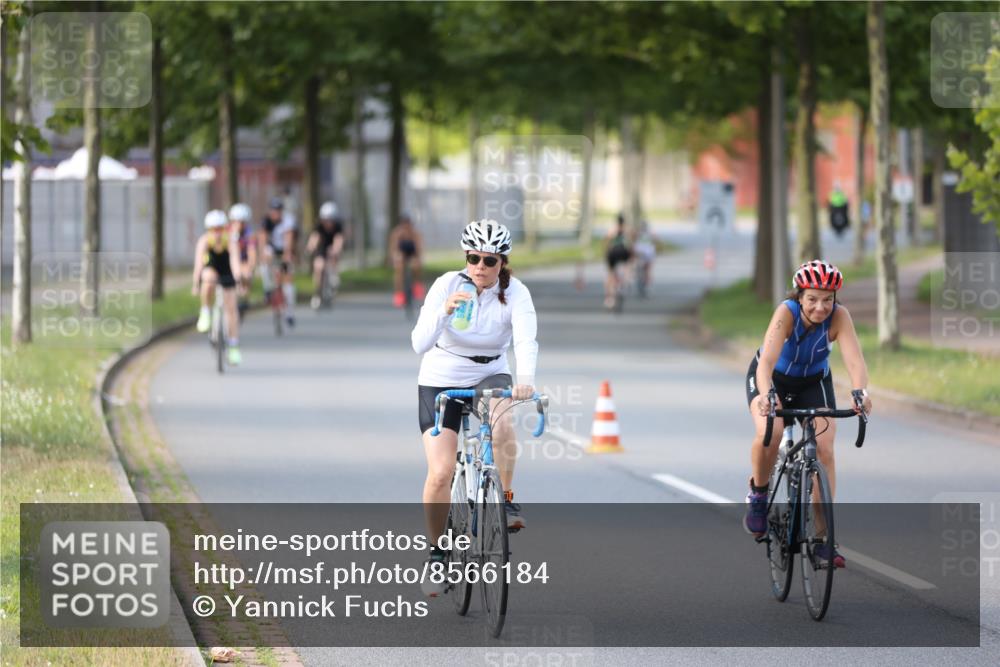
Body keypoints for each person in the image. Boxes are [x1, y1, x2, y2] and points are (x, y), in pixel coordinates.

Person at [411, 219, 538, 597]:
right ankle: (437, 553)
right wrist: (444, 312)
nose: (480, 267)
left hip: (490, 372)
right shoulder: (446, 285)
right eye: (473, 258)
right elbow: (419, 343)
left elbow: (527, 340)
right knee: (441, 471)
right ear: (465, 257)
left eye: (490, 260)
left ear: (503, 262)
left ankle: (507, 500)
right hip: (442, 374)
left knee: (501, 427)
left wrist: (525, 380)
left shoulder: (516, 293)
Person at [743, 260, 873, 568]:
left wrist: (861, 392)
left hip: (814, 382)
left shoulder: (839, 317)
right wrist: (765, 394)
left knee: (825, 449)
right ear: (799, 296)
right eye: (812, 299)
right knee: (770, 433)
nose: (820, 307)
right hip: (773, 379)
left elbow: (855, 362)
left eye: (827, 299)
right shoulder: (786, 313)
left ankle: (822, 541)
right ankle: (758, 495)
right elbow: (766, 363)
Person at [193, 210, 242, 365]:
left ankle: (233, 346)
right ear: (209, 230)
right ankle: (205, 312)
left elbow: (235, 261)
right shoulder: (205, 241)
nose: (218, 233)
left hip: (227, 270)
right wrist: (195, 284)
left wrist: (238, 276)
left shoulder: (231, 241)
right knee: (208, 278)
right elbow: (199, 265)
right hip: (212, 269)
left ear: (225, 229)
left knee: (231, 309)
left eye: (221, 229)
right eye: (214, 229)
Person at [259, 197, 297, 327]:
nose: (276, 213)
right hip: (272, 251)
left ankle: (290, 313)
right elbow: (263, 239)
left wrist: (287, 256)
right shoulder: (266, 221)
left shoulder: (287, 221)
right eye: (274, 210)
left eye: (278, 210)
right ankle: (268, 289)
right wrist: (263, 254)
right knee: (265, 259)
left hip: (284, 251)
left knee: (288, 284)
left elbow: (289, 239)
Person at [307, 201, 345, 309]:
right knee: (319, 267)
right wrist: (310, 247)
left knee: (333, 256)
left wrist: (336, 249)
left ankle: (334, 276)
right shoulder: (319, 226)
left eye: (330, 220)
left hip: (332, 247)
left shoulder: (338, 226)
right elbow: (314, 238)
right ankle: (317, 292)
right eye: (326, 220)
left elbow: (339, 239)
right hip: (322, 248)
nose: (328, 222)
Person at [389, 213, 426, 308]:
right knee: (399, 269)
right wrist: (395, 258)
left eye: (408, 224)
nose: (406, 226)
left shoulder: (414, 234)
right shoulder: (397, 233)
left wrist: (418, 259)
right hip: (402, 252)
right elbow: (394, 248)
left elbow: (418, 248)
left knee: (416, 266)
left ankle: (416, 285)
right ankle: (399, 293)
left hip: (412, 252)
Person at [228, 203, 257, 320]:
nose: (239, 225)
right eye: (236, 221)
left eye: (242, 222)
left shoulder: (249, 234)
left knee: (245, 274)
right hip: (228, 261)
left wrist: (250, 268)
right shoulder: (226, 232)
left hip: (242, 261)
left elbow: (252, 254)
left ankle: (243, 299)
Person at [604, 213, 632, 308]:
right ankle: (625, 281)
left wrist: (606, 252)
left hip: (613, 253)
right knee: (627, 265)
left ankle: (609, 299)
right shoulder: (627, 229)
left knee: (610, 274)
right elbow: (631, 243)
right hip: (624, 252)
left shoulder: (612, 229)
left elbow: (607, 241)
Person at [632, 220, 656, 298]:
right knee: (648, 269)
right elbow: (656, 240)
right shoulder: (651, 233)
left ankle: (639, 278)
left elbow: (633, 241)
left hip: (640, 253)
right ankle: (647, 283)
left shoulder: (637, 233)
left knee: (639, 267)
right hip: (648, 254)